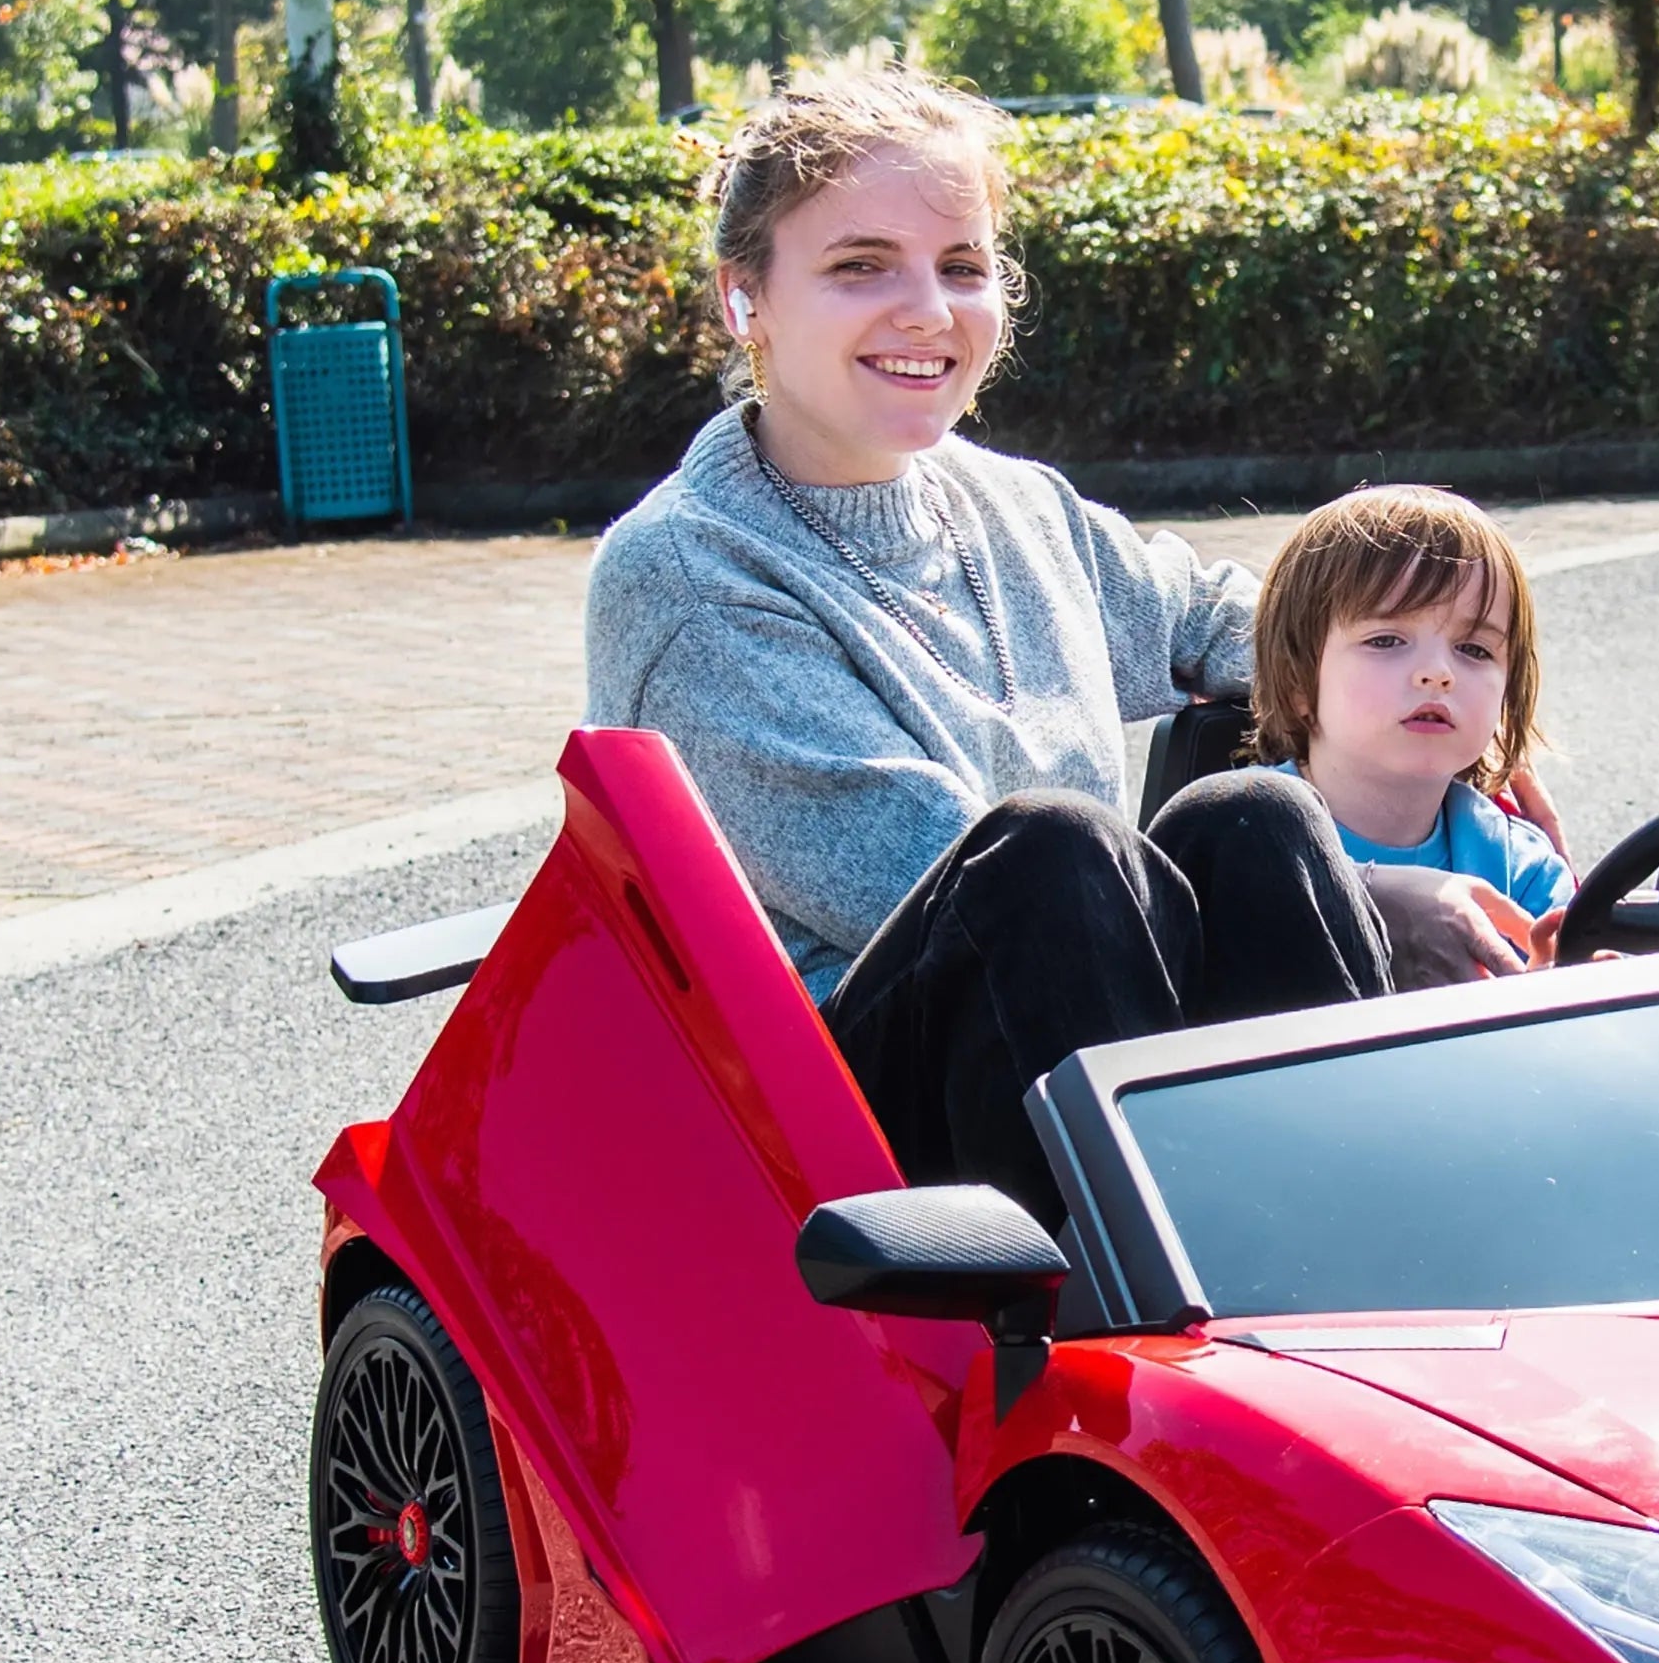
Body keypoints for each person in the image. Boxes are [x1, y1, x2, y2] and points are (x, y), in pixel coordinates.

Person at [583, 65, 1562, 1223]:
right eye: (860, 267)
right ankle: (1157, 1305)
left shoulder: (1011, 505)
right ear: (747, 297)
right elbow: (926, 879)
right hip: (839, 1124)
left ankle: (1378, 1239)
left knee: (1253, 819)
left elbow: (1235, 622)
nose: (928, 310)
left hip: (1085, 1012)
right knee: (1048, 849)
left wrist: (1416, 706)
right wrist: (1371, 891)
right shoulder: (690, 575)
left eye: (961, 267)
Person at [1249, 486, 1575, 971]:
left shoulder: (1524, 869)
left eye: (1474, 650)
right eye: (1386, 639)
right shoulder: (1243, 835)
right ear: (1299, 680)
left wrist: (1556, 986)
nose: (1437, 672)